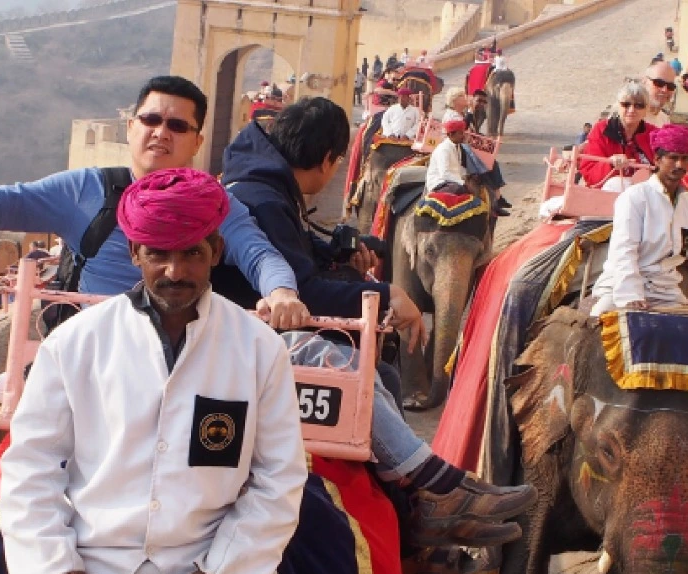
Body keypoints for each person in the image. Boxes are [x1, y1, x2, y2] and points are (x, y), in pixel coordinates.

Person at [215, 96, 537, 542]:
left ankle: (414, 504)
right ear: (328, 160)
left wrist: (342, 252)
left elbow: (293, 257)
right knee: (348, 365)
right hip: (250, 333)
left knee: (383, 369)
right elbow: (298, 288)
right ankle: (437, 485)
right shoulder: (263, 198)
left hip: (263, 325)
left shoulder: (267, 186)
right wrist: (383, 291)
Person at [0, 168, 309, 574]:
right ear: (133, 252)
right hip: (89, 569)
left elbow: (279, 476)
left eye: (191, 254)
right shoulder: (74, 342)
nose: (175, 271)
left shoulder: (259, 349)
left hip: (206, 572)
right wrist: (54, 563)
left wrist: (222, 570)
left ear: (216, 251)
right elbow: (33, 462)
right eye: (158, 254)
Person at [0, 76, 310, 330]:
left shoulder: (212, 204)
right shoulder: (86, 191)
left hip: (182, 356)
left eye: (178, 125)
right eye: (151, 120)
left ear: (197, 142)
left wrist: (282, 292)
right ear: (131, 127)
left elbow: (258, 255)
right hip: (91, 358)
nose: (161, 132)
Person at [589, 125, 688, 316]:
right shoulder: (634, 198)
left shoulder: (687, 205)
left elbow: (684, 248)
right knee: (598, 327)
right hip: (621, 289)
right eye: (673, 158)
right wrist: (631, 295)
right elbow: (624, 249)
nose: (680, 165)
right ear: (657, 160)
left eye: (685, 158)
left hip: (666, 292)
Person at [578, 82, 656, 188]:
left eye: (639, 105)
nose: (632, 110)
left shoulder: (654, 134)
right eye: (626, 104)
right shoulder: (602, 129)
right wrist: (610, 163)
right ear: (618, 106)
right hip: (605, 194)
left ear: (646, 109)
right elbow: (589, 172)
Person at [425, 116, 472, 194]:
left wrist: (467, 177)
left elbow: (457, 168)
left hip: (451, 182)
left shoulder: (458, 147)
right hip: (439, 183)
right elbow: (444, 174)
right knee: (459, 189)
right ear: (450, 134)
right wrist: (461, 182)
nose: (463, 136)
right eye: (460, 133)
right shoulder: (444, 149)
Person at [643, 60, 679, 127]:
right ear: (644, 82)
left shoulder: (665, 120)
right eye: (659, 83)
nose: (664, 90)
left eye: (670, 86)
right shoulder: (632, 117)